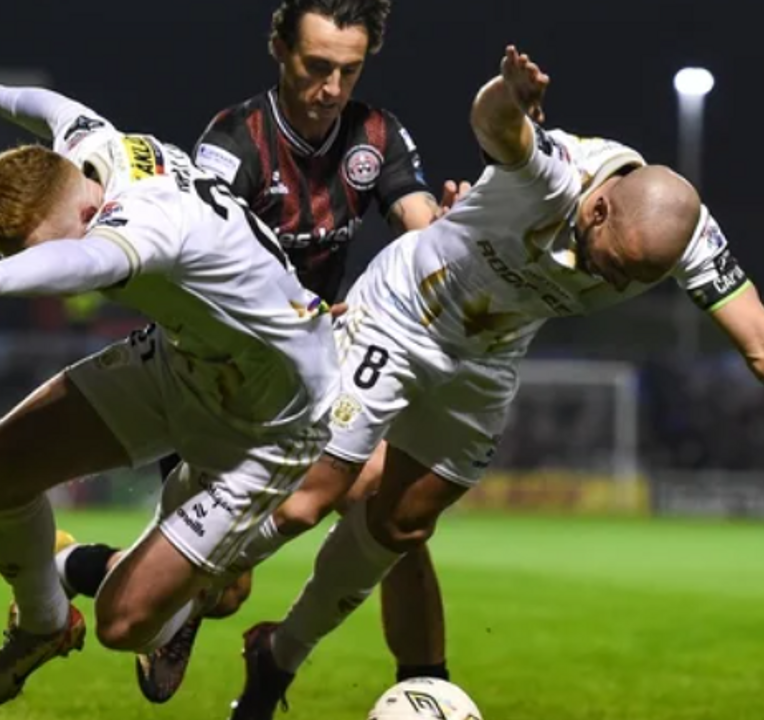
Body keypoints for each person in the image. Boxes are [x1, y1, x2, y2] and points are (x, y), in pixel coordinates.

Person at [224, 45, 764, 719]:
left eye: (631, 279)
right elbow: (496, 124)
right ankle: (160, 583)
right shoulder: (557, 171)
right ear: (596, 210)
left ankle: (278, 656)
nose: (611, 281)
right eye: (612, 263)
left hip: (488, 359)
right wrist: (508, 95)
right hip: (407, 312)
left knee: (402, 524)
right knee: (309, 499)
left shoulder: (688, 237)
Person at [0, 33, 339, 715]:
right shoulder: (92, 149)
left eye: (47, 244)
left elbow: (80, 264)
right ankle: (44, 626)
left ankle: (182, 584)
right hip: (184, 359)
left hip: (269, 422)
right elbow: (51, 107)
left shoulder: (142, 225)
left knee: (124, 624)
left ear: (84, 213)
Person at [55, 0, 465, 702]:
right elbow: (211, 253)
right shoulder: (233, 141)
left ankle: (425, 689)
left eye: (349, 70)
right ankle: (78, 567)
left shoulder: (376, 135)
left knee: (396, 512)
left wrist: (450, 236)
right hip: (217, 377)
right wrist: (292, 310)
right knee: (224, 588)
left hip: (317, 373)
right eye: (316, 67)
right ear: (278, 48)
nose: (331, 88)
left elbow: (416, 223)